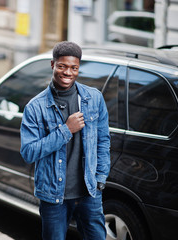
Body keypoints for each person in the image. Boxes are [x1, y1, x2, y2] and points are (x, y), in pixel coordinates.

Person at [20, 41, 110, 240]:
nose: (67, 72)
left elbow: (103, 141)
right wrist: (65, 130)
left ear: (78, 68)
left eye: (73, 68)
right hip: (53, 196)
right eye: (62, 66)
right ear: (53, 64)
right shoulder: (35, 107)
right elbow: (28, 152)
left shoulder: (93, 99)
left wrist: (100, 180)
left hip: (89, 191)